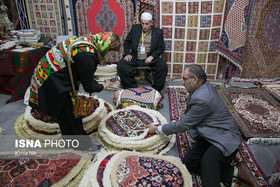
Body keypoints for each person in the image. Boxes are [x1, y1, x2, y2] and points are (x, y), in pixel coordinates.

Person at [147, 64, 259, 187]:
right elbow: (189, 118)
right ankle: (236, 171)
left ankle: (233, 171)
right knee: (187, 163)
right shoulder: (201, 87)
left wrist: (157, 129)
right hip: (210, 135)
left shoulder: (203, 98)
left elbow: (183, 125)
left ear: (195, 79)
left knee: (208, 162)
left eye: (184, 79)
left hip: (224, 137)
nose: (182, 82)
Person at [28, 32, 121, 150]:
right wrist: (104, 86)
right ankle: (81, 146)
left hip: (51, 73)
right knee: (68, 114)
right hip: (49, 80)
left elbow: (73, 70)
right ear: (106, 47)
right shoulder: (87, 57)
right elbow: (89, 86)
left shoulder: (90, 41)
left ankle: (73, 140)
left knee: (70, 111)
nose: (109, 56)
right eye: (111, 52)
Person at [117, 11, 167, 97]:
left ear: (151, 23)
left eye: (147, 24)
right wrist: (128, 54)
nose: (144, 26)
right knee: (121, 65)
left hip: (150, 57)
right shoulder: (135, 28)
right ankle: (132, 88)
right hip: (135, 56)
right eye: (142, 23)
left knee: (163, 66)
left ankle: (156, 90)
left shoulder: (158, 32)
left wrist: (152, 56)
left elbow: (161, 48)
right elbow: (127, 42)